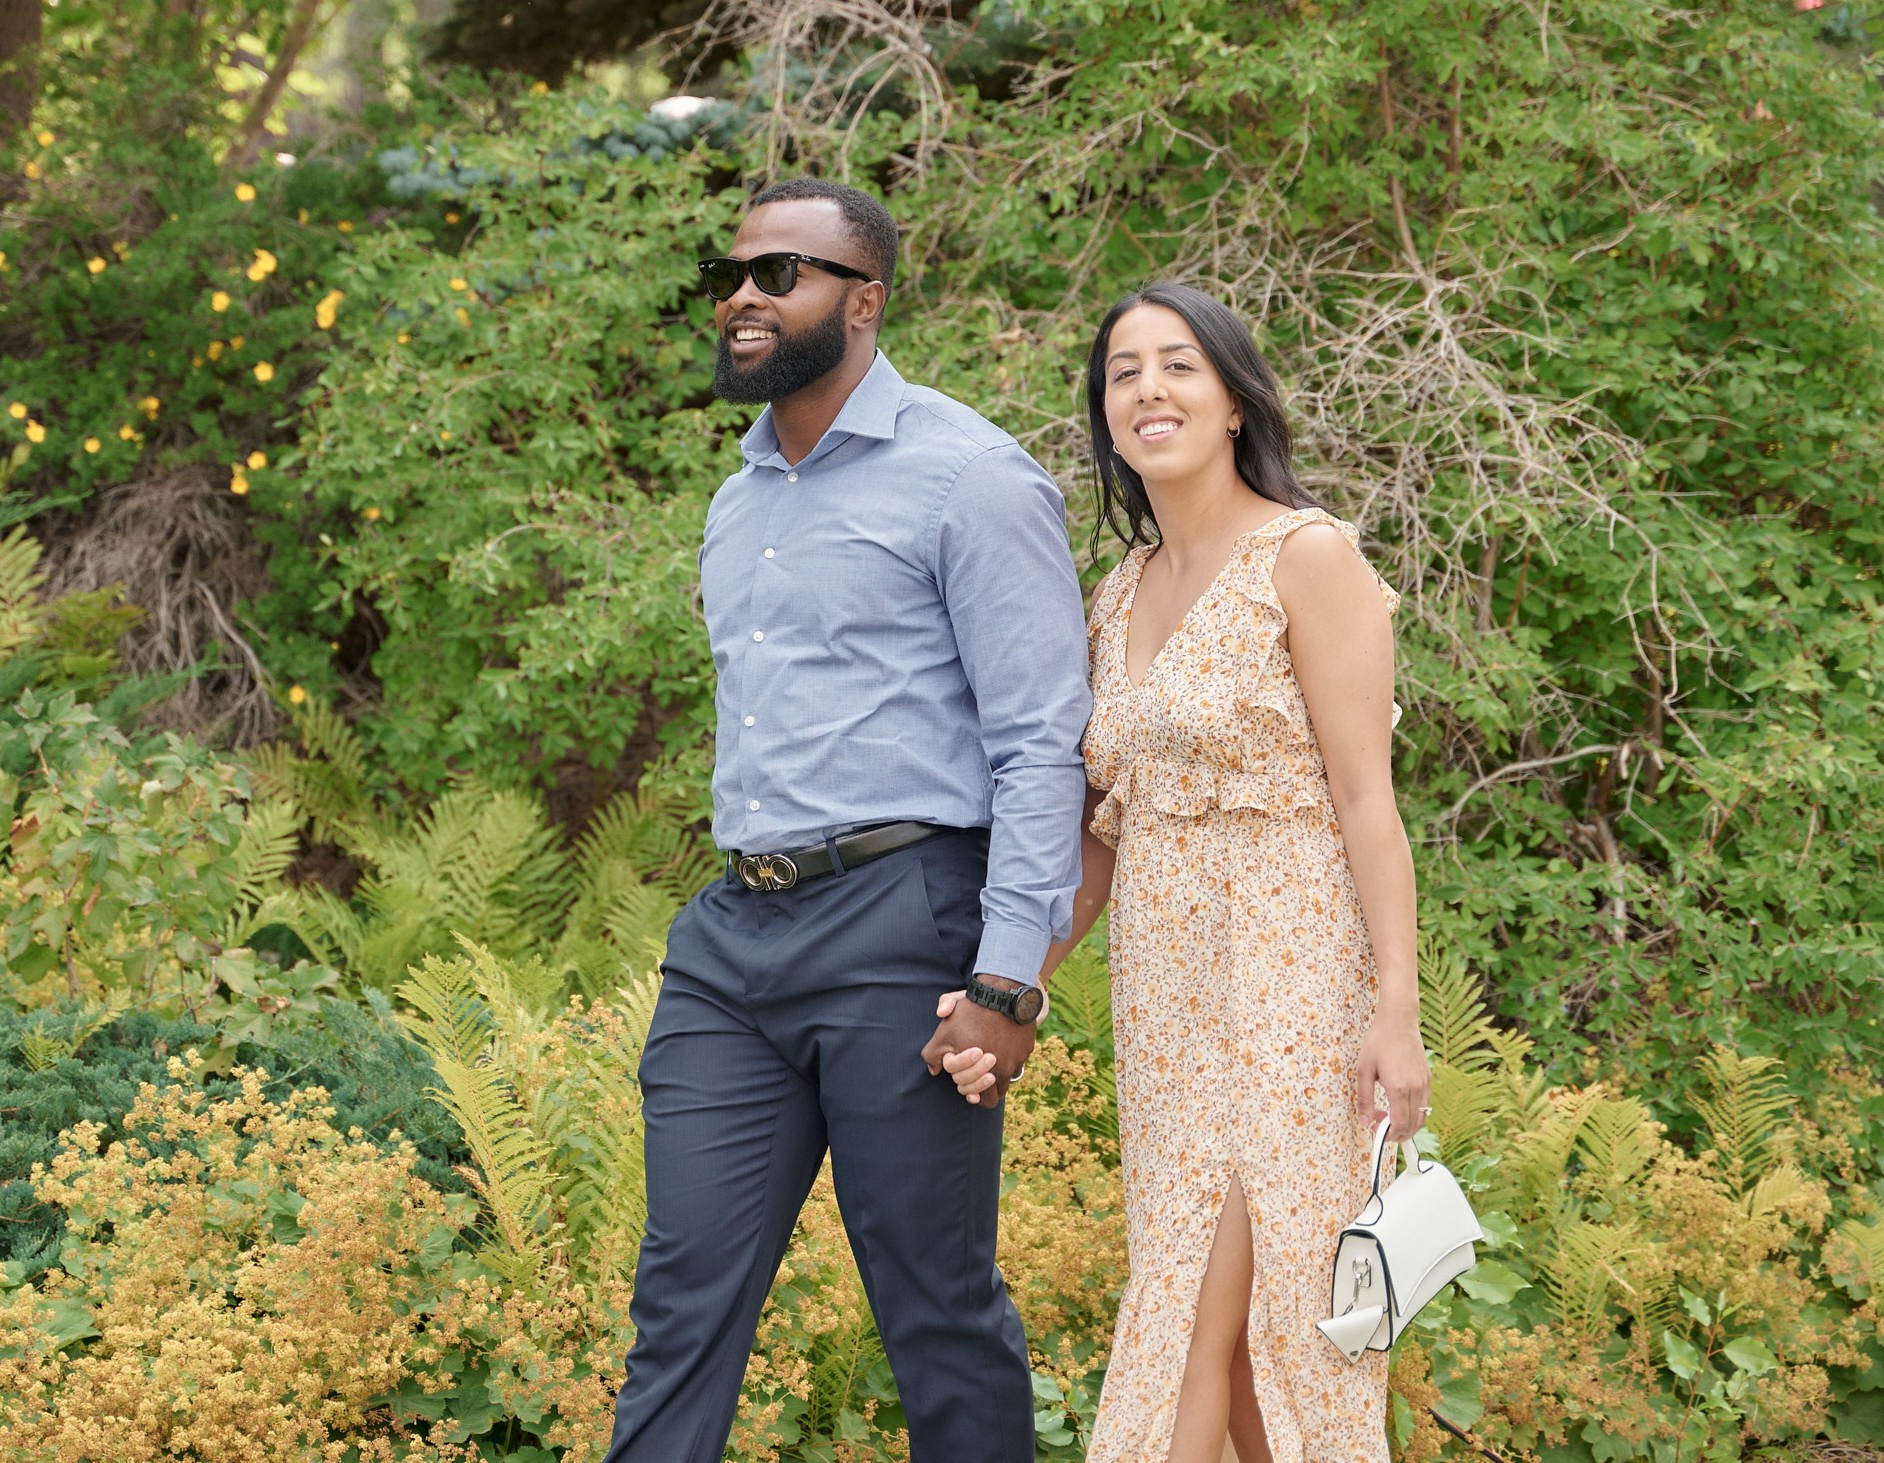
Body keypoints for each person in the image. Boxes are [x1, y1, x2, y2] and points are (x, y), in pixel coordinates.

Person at [601, 177, 1092, 1463]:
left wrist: (1007, 977)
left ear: (863, 301)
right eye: (732, 272)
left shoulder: (971, 478)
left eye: (780, 273)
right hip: (733, 939)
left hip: (902, 925)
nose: (742, 295)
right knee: (679, 1300)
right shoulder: (739, 497)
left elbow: (1041, 743)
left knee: (934, 1305)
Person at [940, 282, 1431, 1463]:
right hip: (1164, 1000)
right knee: (1240, 1335)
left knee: (1208, 1314)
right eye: (1122, 373)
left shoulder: (1305, 556)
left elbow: (1368, 802)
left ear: (1232, 401)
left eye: (1176, 365)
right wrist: (1014, 981)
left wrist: (1397, 1011)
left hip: (1289, 982)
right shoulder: (1116, 593)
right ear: (1105, 415)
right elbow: (1101, 831)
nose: (1147, 390)